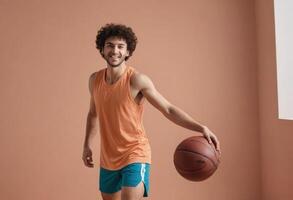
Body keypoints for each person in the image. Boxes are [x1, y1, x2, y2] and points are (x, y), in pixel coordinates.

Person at [82, 23, 221, 200]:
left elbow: (168, 109)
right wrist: (86, 145)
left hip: (135, 152)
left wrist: (201, 127)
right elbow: (93, 113)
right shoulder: (94, 80)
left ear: (127, 52)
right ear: (102, 49)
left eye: (120, 46)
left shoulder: (136, 80)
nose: (115, 50)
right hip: (108, 157)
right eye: (110, 45)